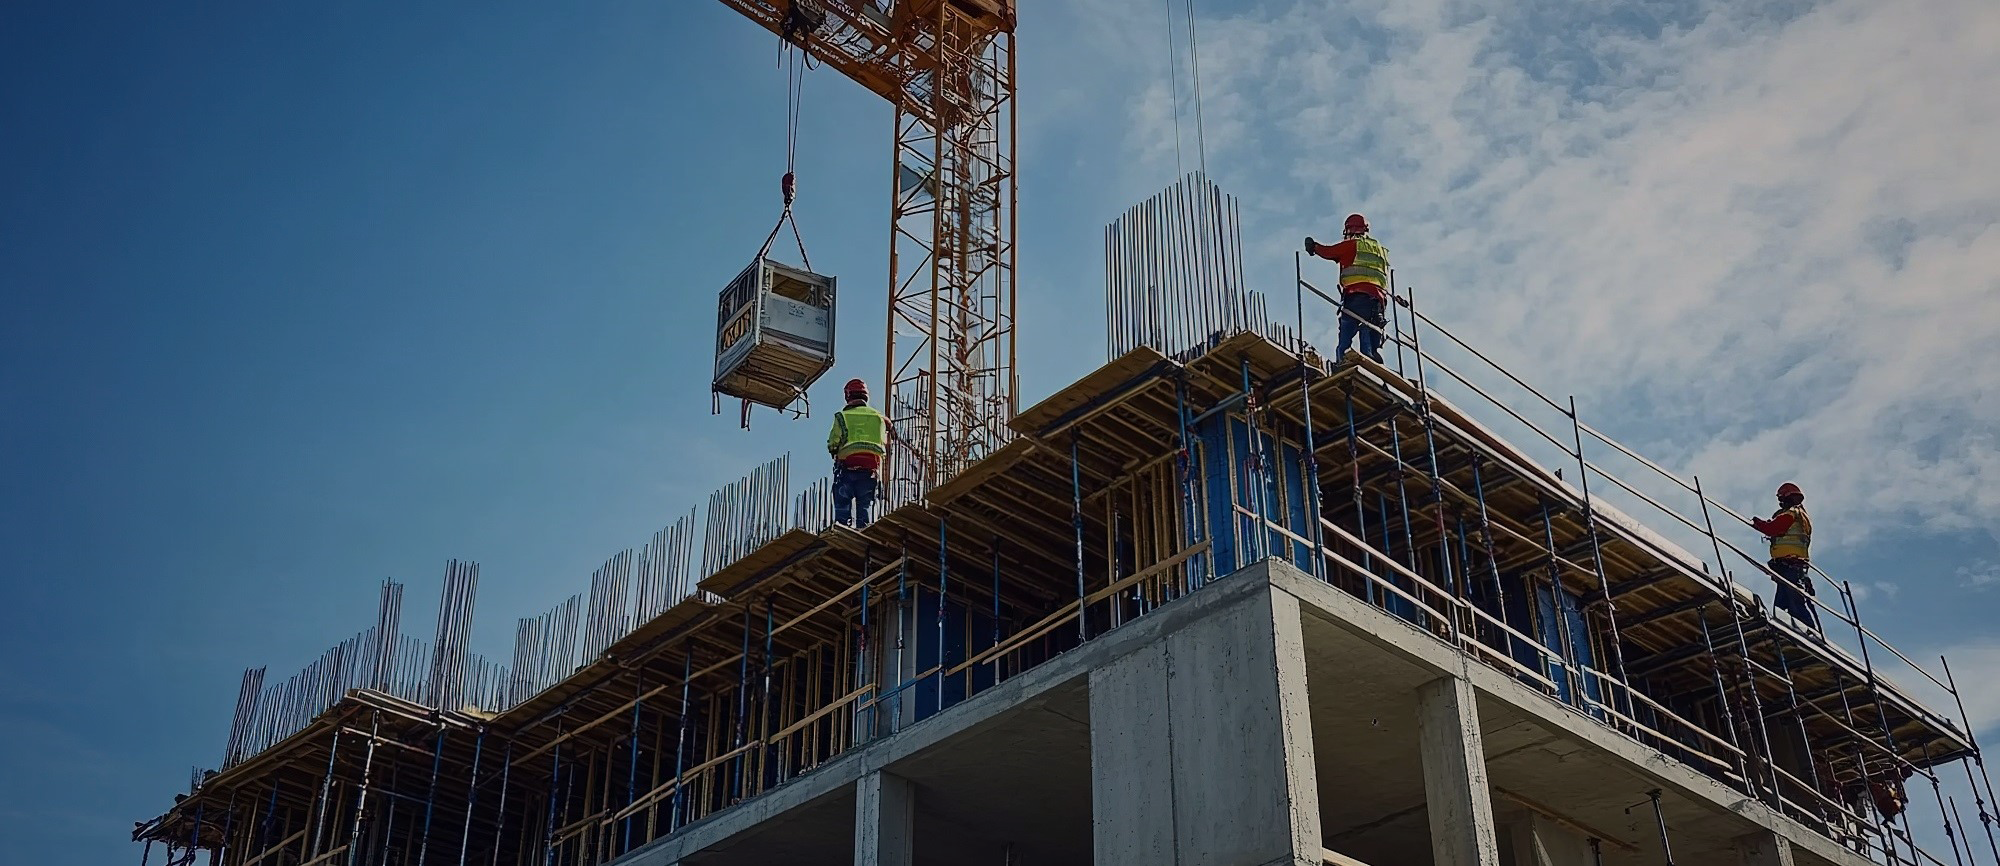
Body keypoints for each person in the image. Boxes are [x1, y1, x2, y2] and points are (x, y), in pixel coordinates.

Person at [1305, 213, 1391, 362]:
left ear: (1349, 230)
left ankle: (1343, 361)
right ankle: (1372, 360)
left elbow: (1329, 252)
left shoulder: (1352, 245)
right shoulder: (1379, 250)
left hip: (1357, 298)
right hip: (1378, 302)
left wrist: (1314, 247)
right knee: (1369, 331)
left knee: (1346, 335)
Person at [1751, 482, 1819, 635]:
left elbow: (1775, 528)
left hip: (1791, 566)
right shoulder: (1802, 517)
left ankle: (1810, 632)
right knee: (1782, 603)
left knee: (1795, 601)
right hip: (1790, 566)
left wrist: (1759, 524)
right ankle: (1781, 628)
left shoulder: (1792, 513)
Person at [827, 378, 886, 528]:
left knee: (842, 499)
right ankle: (863, 527)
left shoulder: (842, 416)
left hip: (848, 466)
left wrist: (834, 451)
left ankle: (842, 526)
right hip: (870, 469)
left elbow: (833, 442)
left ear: (848, 396)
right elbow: (883, 441)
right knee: (865, 504)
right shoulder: (878, 417)